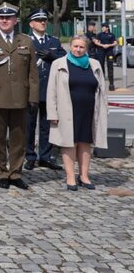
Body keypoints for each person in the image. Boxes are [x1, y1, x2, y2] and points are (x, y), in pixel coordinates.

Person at [0, 2, 38, 190]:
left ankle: (16, 173)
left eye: (8, 17)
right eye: (1, 17)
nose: (4, 20)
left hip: (20, 96)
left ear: (15, 20)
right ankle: (1, 172)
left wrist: (33, 97)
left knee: (19, 139)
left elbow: (32, 73)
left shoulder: (25, 41)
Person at [46, 35, 109, 191]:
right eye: (75, 46)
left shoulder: (94, 64)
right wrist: (52, 114)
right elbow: (51, 91)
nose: (78, 50)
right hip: (67, 110)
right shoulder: (59, 63)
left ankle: (84, 176)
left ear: (86, 49)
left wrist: (104, 109)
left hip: (89, 110)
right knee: (69, 143)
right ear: (70, 47)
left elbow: (102, 89)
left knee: (85, 143)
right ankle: (70, 177)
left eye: (81, 47)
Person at [25, 8, 66, 171]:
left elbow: (65, 60)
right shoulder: (25, 41)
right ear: (31, 23)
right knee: (29, 125)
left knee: (47, 125)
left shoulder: (54, 42)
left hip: (50, 88)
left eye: (44, 20)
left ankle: (45, 156)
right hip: (31, 89)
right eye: (39, 20)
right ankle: (29, 156)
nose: (43, 23)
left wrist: (52, 56)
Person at [94, 22, 116, 91]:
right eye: (102, 27)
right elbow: (96, 42)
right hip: (101, 51)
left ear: (107, 28)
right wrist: (102, 45)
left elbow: (115, 43)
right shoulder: (100, 34)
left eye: (104, 27)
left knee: (110, 68)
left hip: (109, 52)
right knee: (101, 66)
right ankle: (101, 85)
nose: (102, 28)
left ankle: (111, 84)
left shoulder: (111, 35)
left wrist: (108, 45)